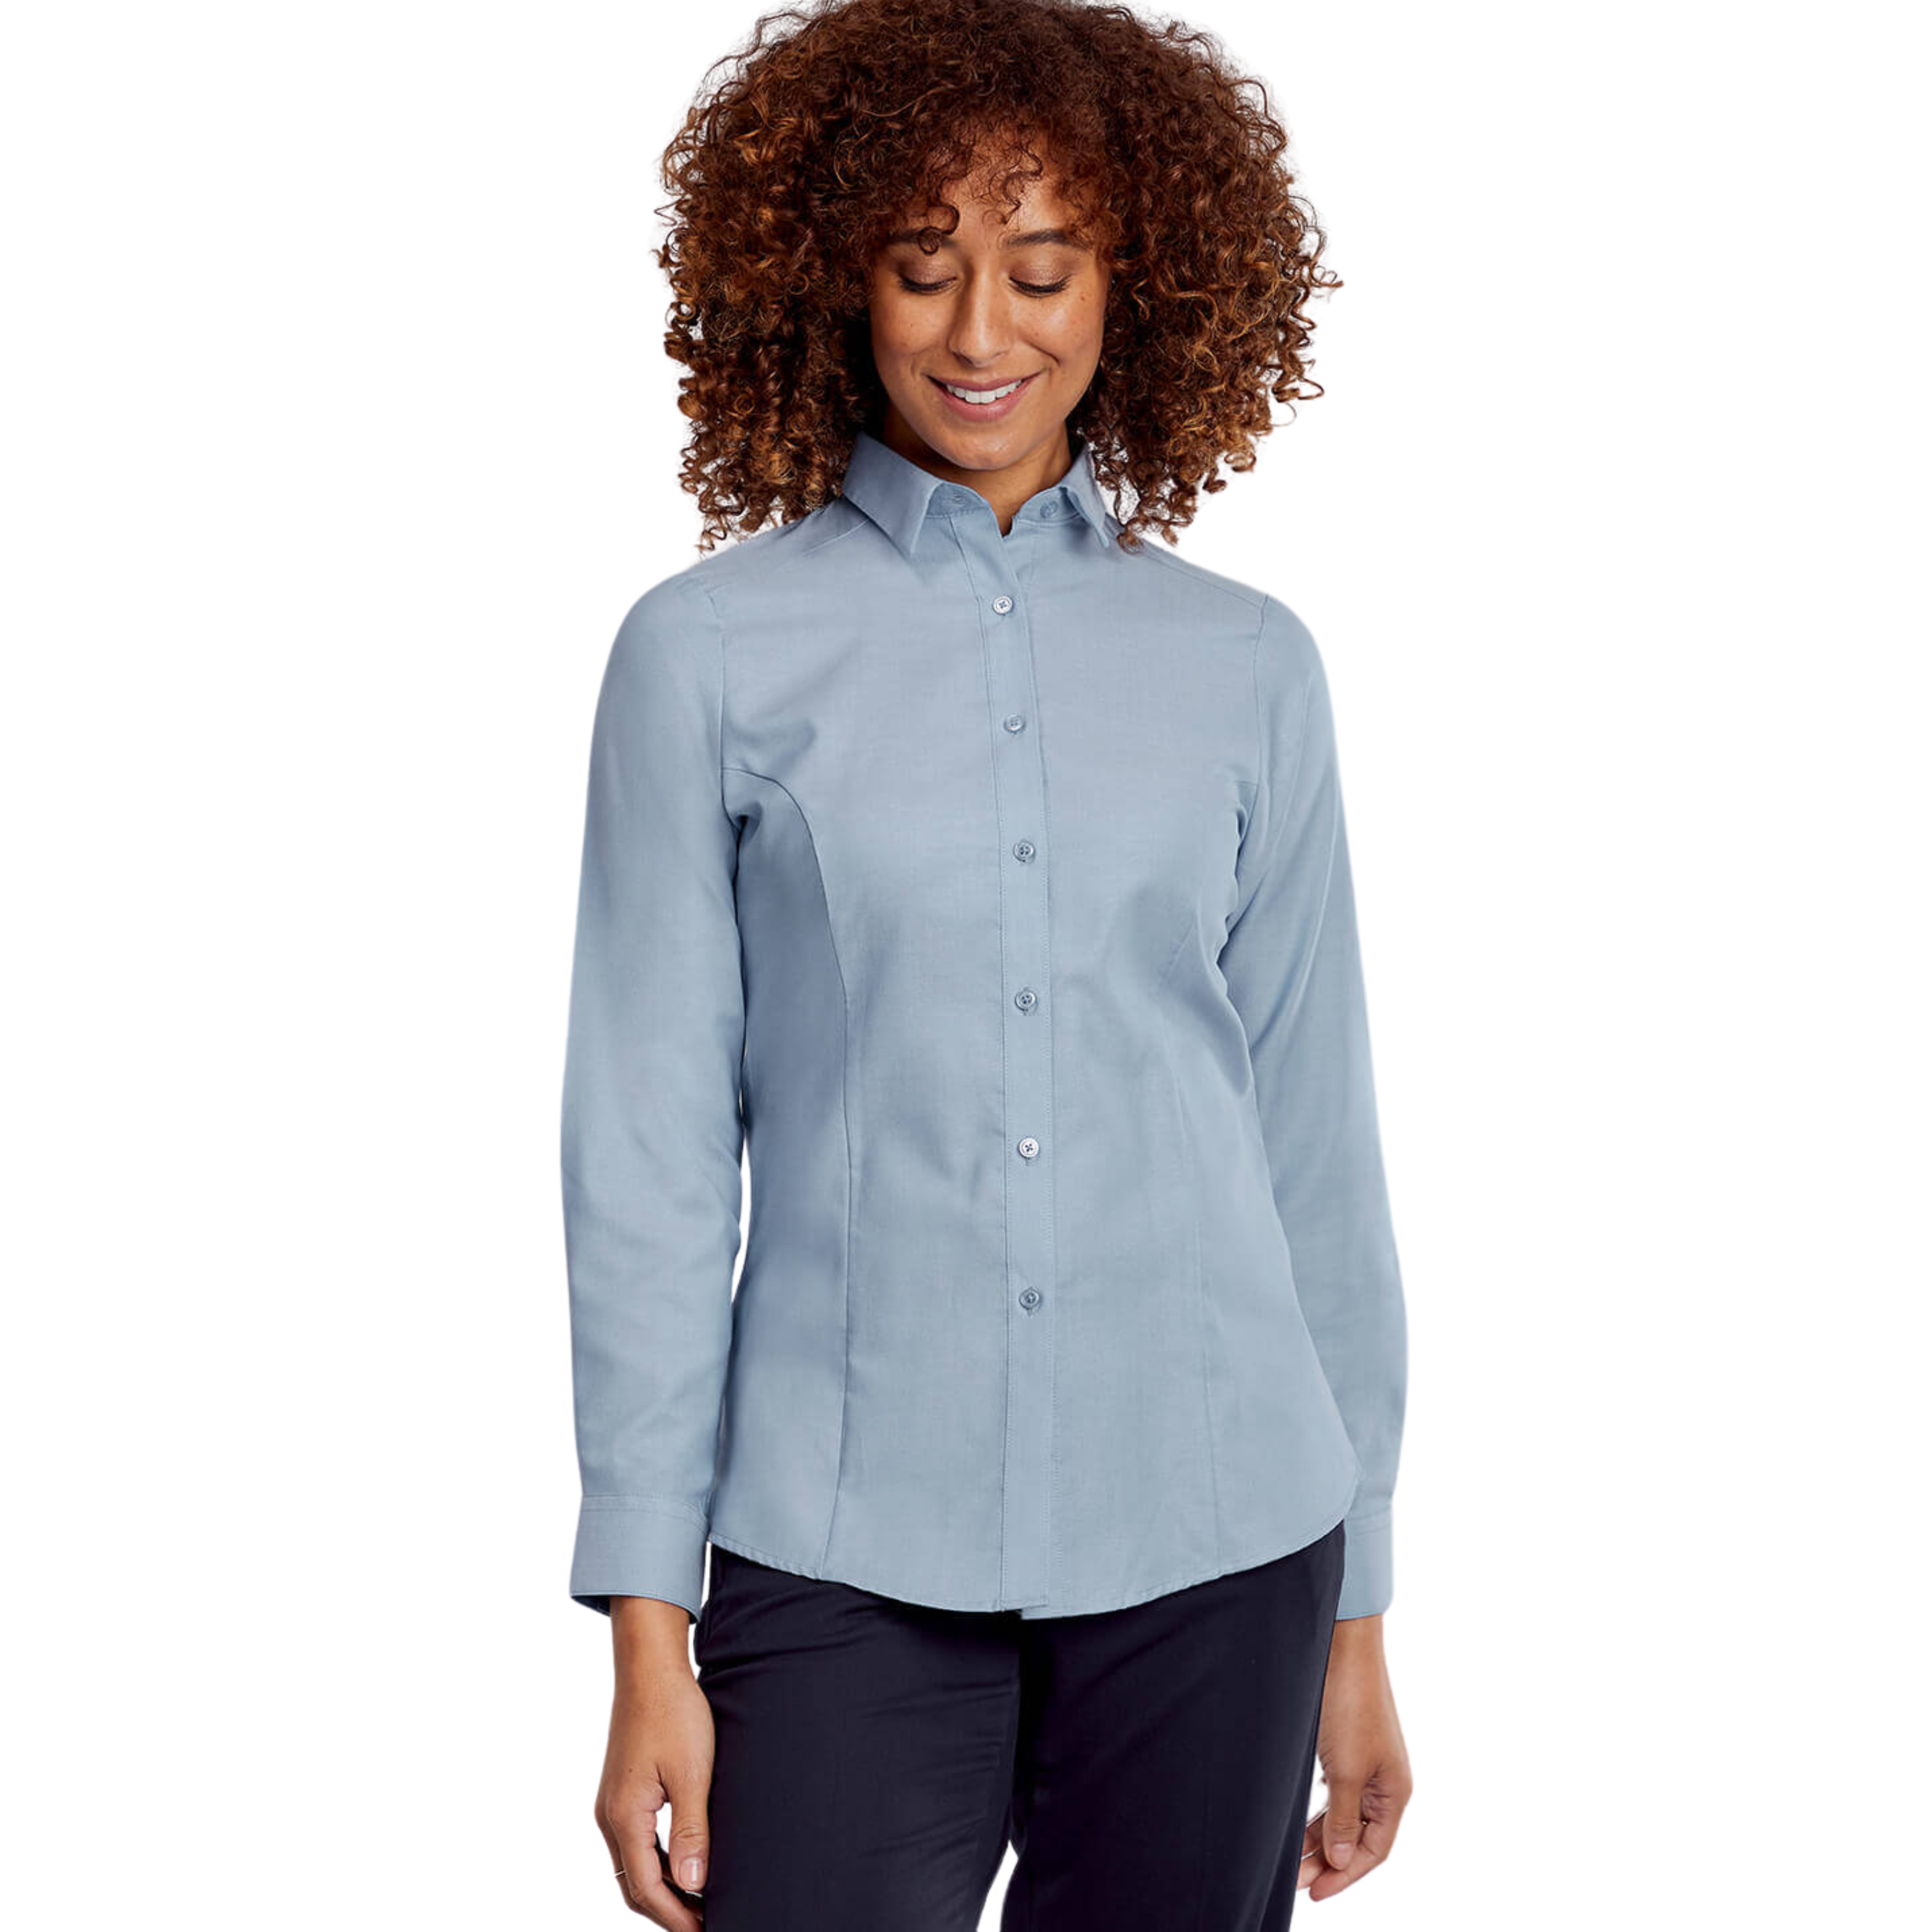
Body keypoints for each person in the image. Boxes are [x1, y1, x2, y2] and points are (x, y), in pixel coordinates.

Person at [560, 1, 1413, 1925]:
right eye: (920, 265)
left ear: (1133, 287)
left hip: (1221, 1538)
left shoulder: (1247, 666)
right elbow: (649, 1159)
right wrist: (644, 1627)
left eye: (1039, 270)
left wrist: (1357, 1610)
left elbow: (1311, 1149)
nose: (977, 331)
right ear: (830, 277)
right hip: (839, 1543)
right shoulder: (704, 658)